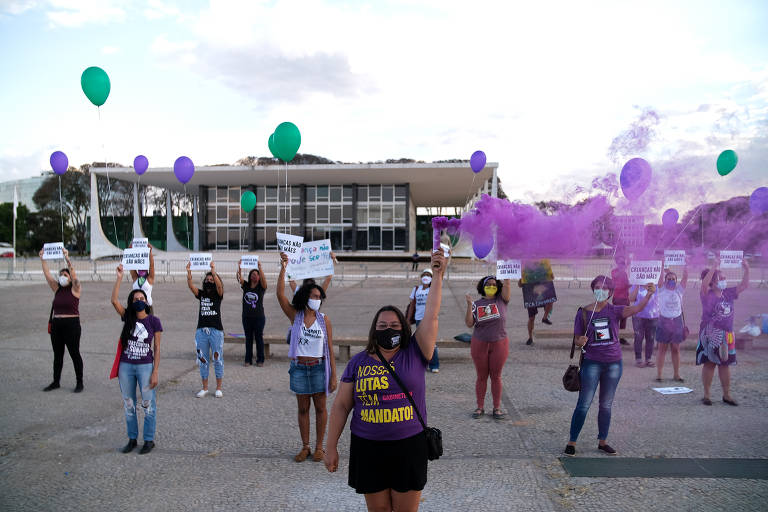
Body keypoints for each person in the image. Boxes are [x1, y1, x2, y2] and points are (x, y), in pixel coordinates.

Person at [324, 250, 445, 512]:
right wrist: (330, 447)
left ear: (403, 327)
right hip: (368, 447)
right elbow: (342, 406)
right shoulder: (358, 362)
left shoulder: (415, 352)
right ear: (373, 330)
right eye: (381, 326)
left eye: (393, 324)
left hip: (409, 445)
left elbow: (432, 316)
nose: (387, 329)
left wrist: (437, 275)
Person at [564, 276, 656, 457]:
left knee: (606, 405)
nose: (601, 290)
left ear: (610, 291)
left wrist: (648, 295)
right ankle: (571, 441)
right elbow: (576, 339)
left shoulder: (615, 310)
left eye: (605, 288)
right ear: (592, 289)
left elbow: (636, 308)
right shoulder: (583, 312)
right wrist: (579, 341)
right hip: (592, 363)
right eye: (598, 287)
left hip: (614, 364)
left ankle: (603, 441)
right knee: (583, 404)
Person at [277, 252, 338, 463]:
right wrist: (283, 268)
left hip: (319, 368)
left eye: (320, 297)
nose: (317, 300)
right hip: (300, 369)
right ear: (305, 297)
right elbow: (280, 296)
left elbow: (330, 348)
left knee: (321, 408)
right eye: (314, 296)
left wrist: (333, 376)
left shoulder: (325, 320)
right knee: (303, 409)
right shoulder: (296, 316)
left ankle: (320, 447)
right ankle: (305, 446)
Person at [110, 264, 162, 455]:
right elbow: (113, 300)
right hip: (126, 366)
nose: (139, 300)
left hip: (145, 366)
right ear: (131, 302)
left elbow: (157, 348)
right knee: (129, 404)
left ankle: (148, 440)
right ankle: (132, 439)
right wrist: (119, 277)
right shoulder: (127, 317)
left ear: (147, 301)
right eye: (135, 298)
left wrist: (155, 371)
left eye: (142, 298)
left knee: (148, 404)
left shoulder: (154, 321)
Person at [697, 258, 749, 406]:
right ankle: (707, 395)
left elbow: (744, 285)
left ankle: (726, 395)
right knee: (709, 363)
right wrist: (714, 266)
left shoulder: (729, 293)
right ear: (713, 282)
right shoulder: (707, 294)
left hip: (727, 334)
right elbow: (704, 284)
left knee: (725, 364)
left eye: (725, 278)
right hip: (710, 333)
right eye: (721, 278)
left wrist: (747, 269)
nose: (724, 280)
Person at [465, 275, 512, 420]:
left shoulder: (501, 300)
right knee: (481, 377)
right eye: (488, 284)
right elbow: (469, 323)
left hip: (500, 343)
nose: (491, 286)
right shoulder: (476, 304)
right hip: (480, 344)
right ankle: (480, 407)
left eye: (494, 284)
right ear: (483, 287)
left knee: (496, 376)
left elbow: (507, 286)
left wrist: (507, 276)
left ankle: (496, 408)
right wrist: (468, 305)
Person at [40, 247, 84, 392]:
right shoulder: (57, 288)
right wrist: (42, 259)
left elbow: (75, 276)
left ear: (70, 277)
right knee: (57, 355)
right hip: (57, 325)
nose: (62, 276)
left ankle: (79, 382)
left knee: (74, 353)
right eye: (61, 274)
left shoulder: (75, 289)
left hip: (71, 325)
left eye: (65, 274)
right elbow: (47, 274)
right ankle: (56, 381)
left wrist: (67, 258)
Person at [186, 260, 225, 398]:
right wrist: (189, 272)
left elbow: (220, 287)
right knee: (202, 359)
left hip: (216, 331)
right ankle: (205, 388)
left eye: (211, 279)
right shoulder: (201, 294)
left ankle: (219, 388)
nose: (209, 281)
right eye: (207, 279)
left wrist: (213, 271)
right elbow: (191, 287)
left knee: (217, 358)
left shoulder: (218, 294)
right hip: (201, 331)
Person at [655, 264, 688, 382]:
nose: (671, 281)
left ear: (676, 281)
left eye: (673, 279)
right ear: (665, 281)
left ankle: (676, 374)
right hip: (664, 320)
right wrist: (662, 264)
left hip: (677, 321)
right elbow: (659, 279)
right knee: (662, 348)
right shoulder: (661, 290)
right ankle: (659, 374)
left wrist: (686, 265)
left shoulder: (679, 290)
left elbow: (685, 278)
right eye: (669, 279)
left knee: (676, 348)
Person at [407, 268, 439, 373]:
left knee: (431, 342)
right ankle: (423, 363)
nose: (426, 277)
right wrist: (408, 319)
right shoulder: (416, 289)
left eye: (428, 275)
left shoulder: (433, 289)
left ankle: (434, 364)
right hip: (418, 319)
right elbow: (412, 305)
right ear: (421, 277)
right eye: (424, 275)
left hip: (430, 319)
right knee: (421, 342)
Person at [236, 260, 267, 367]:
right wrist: (239, 267)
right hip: (246, 317)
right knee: (248, 339)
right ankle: (248, 359)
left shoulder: (261, 287)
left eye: (257, 274)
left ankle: (260, 360)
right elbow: (239, 278)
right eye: (253, 274)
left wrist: (260, 267)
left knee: (259, 338)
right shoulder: (246, 285)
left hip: (259, 317)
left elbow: (264, 280)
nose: (255, 276)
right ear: (250, 276)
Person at [518, 259, 555, 345]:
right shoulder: (525, 268)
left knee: (551, 300)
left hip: (541, 290)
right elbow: (519, 285)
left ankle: (545, 318)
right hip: (530, 294)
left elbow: (552, 277)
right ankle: (530, 338)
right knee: (531, 318)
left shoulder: (544, 265)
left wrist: (551, 275)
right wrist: (521, 281)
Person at [629, 273, 661, 368]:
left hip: (653, 316)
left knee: (650, 338)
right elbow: (631, 298)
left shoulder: (655, 285)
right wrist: (638, 284)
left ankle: (648, 359)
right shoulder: (636, 285)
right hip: (638, 315)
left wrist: (662, 264)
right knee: (638, 337)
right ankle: (638, 359)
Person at [610, 255, 631, 345]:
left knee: (624, 319)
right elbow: (616, 280)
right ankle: (614, 337)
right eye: (620, 263)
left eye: (623, 263)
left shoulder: (625, 273)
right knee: (616, 319)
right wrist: (623, 268)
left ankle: (622, 338)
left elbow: (626, 284)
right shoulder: (614, 272)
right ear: (617, 263)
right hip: (618, 298)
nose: (622, 264)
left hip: (625, 298)